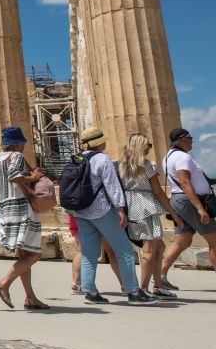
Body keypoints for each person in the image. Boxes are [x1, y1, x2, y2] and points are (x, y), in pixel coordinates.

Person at [70, 126, 154, 305]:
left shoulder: (77, 158)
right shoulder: (102, 158)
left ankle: (90, 292)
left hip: (81, 212)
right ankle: (133, 292)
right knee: (124, 250)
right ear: (100, 142)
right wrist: (121, 209)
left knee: (89, 253)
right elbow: (112, 185)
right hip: (101, 210)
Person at [0, 127, 47, 310]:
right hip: (21, 209)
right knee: (35, 254)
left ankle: (30, 298)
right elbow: (14, 177)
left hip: (5, 209)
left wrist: (3, 195)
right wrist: (33, 177)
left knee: (25, 255)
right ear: (18, 143)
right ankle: (3, 283)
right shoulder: (17, 156)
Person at [116, 133, 182, 298]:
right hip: (146, 206)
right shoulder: (147, 165)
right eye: (147, 145)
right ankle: (143, 289)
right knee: (149, 251)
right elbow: (158, 192)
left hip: (131, 207)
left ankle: (158, 285)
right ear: (140, 146)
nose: (149, 148)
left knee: (159, 247)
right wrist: (173, 212)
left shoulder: (120, 166)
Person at [160, 128, 216, 289]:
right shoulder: (181, 157)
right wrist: (200, 208)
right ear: (183, 139)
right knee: (214, 240)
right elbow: (185, 182)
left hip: (179, 200)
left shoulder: (168, 156)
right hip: (189, 201)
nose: (193, 140)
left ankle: (160, 277)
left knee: (182, 240)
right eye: (190, 138)